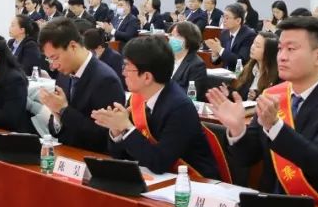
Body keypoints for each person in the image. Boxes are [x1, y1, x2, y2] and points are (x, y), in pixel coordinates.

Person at [206, 16, 318, 207]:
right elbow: (247, 158)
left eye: (291, 49)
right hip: (271, 204)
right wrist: (237, 129)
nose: (281, 56)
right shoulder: (272, 95)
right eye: (280, 49)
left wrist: (275, 126)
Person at [94, 35, 223, 179]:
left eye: (127, 67)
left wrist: (127, 127)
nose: (123, 73)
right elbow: (121, 155)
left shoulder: (180, 107)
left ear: (147, 77)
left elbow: (159, 162)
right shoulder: (137, 97)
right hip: (159, 179)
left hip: (195, 181)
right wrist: (117, 131)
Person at [37, 17, 125, 152]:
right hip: (66, 154)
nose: (53, 66)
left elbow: (103, 136)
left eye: (55, 58)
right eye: (49, 59)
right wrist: (56, 114)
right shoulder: (64, 73)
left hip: (91, 157)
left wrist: (63, 110)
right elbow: (57, 129)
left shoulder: (105, 80)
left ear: (73, 46)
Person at [205, 3, 255, 71]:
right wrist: (215, 54)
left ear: (238, 21)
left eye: (227, 18)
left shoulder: (249, 35)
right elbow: (217, 62)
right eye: (223, 17)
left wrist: (219, 49)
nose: (224, 20)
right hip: (225, 74)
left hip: (239, 74)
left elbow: (241, 61)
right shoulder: (224, 33)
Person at [232, 31, 279, 101]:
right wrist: (229, 93)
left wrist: (256, 97)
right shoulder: (250, 68)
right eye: (253, 43)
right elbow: (238, 92)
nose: (252, 47)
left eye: (257, 46)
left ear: (268, 51)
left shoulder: (276, 77)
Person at [169, 21, 207, 94]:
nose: (173, 39)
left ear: (190, 39)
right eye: (171, 35)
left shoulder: (197, 65)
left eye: (178, 36)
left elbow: (192, 95)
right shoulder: (166, 59)